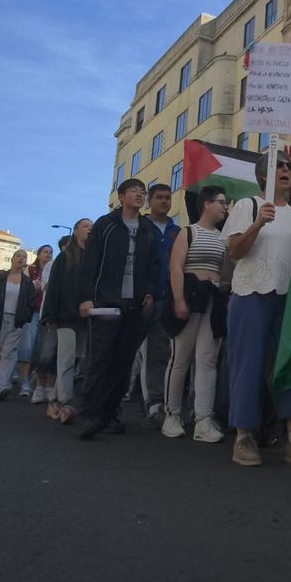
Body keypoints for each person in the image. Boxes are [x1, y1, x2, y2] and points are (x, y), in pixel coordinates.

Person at [223, 153, 291, 467]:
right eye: (279, 166)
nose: (286, 170)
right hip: (250, 295)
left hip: (287, 299)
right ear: (263, 176)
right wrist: (257, 224)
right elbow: (235, 252)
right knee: (248, 365)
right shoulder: (247, 206)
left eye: (289, 166)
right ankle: (244, 436)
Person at [71, 181, 157, 438]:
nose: (140, 195)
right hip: (106, 302)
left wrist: (150, 291)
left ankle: (109, 414)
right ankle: (89, 414)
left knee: (123, 363)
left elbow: (153, 265)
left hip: (134, 304)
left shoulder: (147, 229)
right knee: (99, 359)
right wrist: (87, 297)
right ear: (121, 197)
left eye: (143, 192)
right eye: (134, 191)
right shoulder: (106, 225)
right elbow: (90, 262)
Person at [163, 185, 230, 442]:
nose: (225, 207)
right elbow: (176, 268)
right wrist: (179, 299)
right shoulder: (188, 232)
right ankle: (172, 414)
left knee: (207, 359)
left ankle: (203, 419)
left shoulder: (224, 237)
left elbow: (226, 271)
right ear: (207, 204)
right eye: (222, 202)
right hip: (190, 298)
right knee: (180, 358)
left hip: (214, 301)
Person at [138, 184, 182, 426]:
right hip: (139, 298)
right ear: (150, 201)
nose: (164, 201)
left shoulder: (177, 232)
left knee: (159, 351)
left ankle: (155, 400)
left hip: (166, 298)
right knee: (130, 351)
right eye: (159, 197)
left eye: (168, 197)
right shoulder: (140, 227)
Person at [42, 223, 90, 422]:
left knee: (79, 358)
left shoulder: (93, 257)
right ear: (76, 231)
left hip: (86, 317)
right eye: (86, 225)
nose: (90, 229)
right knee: (66, 359)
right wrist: (49, 315)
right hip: (65, 316)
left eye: (92, 226)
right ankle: (64, 402)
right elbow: (54, 287)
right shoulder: (64, 258)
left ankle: (54, 398)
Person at [0, 249, 39, 399]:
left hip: (16, 321)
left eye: (24, 257)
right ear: (12, 259)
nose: (21, 259)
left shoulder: (27, 283)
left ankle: (1, 386)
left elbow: (31, 302)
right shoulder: (0, 277)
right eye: (18, 256)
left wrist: (25, 317)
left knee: (9, 354)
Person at [20, 244, 54, 400]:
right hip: (33, 312)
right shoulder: (30, 270)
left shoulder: (54, 270)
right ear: (38, 254)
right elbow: (22, 290)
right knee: (28, 346)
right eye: (45, 252)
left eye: (51, 252)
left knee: (41, 349)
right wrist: (32, 288)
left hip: (45, 313)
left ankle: (37, 380)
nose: (48, 254)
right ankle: (24, 383)